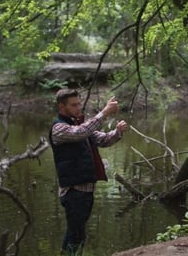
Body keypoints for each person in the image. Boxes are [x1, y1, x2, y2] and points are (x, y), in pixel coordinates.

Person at [49, 89, 128, 255]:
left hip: (85, 190)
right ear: (62, 107)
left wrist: (117, 132)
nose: (78, 107)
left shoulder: (79, 125)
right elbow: (81, 133)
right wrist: (104, 113)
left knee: (78, 233)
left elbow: (102, 139)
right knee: (75, 233)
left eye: (79, 103)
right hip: (73, 191)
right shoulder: (59, 129)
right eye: (73, 105)